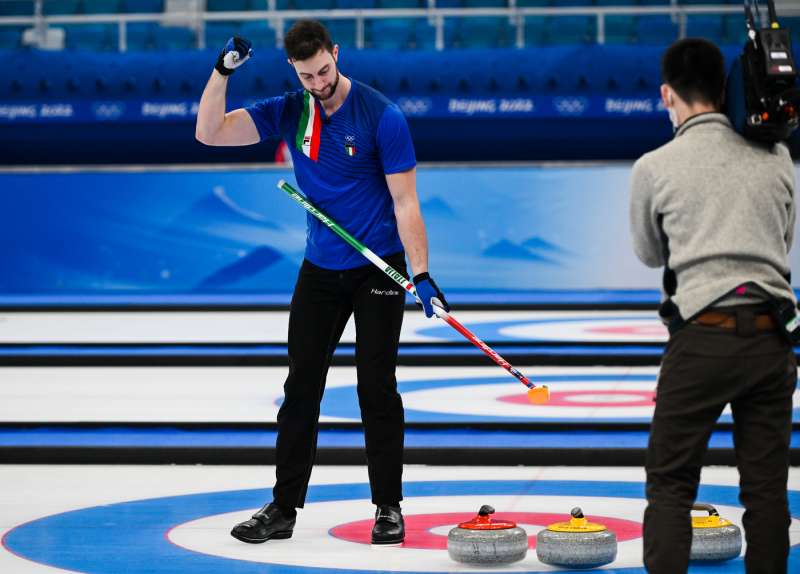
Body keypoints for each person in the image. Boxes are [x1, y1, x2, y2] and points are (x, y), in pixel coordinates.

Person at [195, 20, 449, 545]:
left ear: (337, 54)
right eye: (308, 75)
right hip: (321, 269)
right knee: (301, 387)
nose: (319, 82)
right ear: (295, 68)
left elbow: (406, 202)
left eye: (325, 71)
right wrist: (221, 72)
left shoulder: (383, 116)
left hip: (378, 267)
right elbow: (209, 132)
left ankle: (388, 507)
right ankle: (283, 508)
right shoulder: (291, 110)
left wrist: (421, 273)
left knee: (375, 386)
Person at [629, 38, 797, 574]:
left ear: (666, 95)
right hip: (774, 337)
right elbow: (783, 240)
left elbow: (650, 253)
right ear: (726, 91)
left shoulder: (655, 166)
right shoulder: (777, 156)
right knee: (767, 490)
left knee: (672, 485)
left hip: (702, 336)